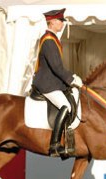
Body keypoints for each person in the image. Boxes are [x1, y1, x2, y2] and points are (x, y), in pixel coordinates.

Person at [32, 8, 83, 158]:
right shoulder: (48, 40)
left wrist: (71, 77)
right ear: (52, 21)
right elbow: (56, 67)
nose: (62, 23)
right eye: (60, 21)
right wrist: (72, 79)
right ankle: (54, 145)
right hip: (47, 82)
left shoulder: (53, 38)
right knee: (66, 106)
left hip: (53, 80)